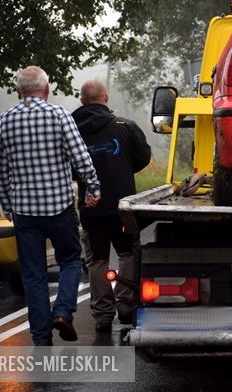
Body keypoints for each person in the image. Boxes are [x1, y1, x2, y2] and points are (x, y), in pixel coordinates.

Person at [0, 66, 100, 346]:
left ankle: (40, 337)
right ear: (47, 89)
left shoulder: (6, 120)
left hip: (25, 212)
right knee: (70, 261)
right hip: (59, 208)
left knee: (33, 274)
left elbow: (0, 170)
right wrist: (93, 187)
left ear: (18, 91)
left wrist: (7, 204)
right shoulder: (59, 114)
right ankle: (63, 311)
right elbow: (80, 156)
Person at [72, 80, 151, 332]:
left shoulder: (71, 129)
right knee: (128, 253)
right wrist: (124, 168)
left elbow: (68, 166)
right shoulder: (125, 127)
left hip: (91, 207)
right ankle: (126, 306)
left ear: (82, 100)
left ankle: (103, 315)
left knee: (97, 259)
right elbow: (143, 157)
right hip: (123, 206)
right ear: (105, 98)